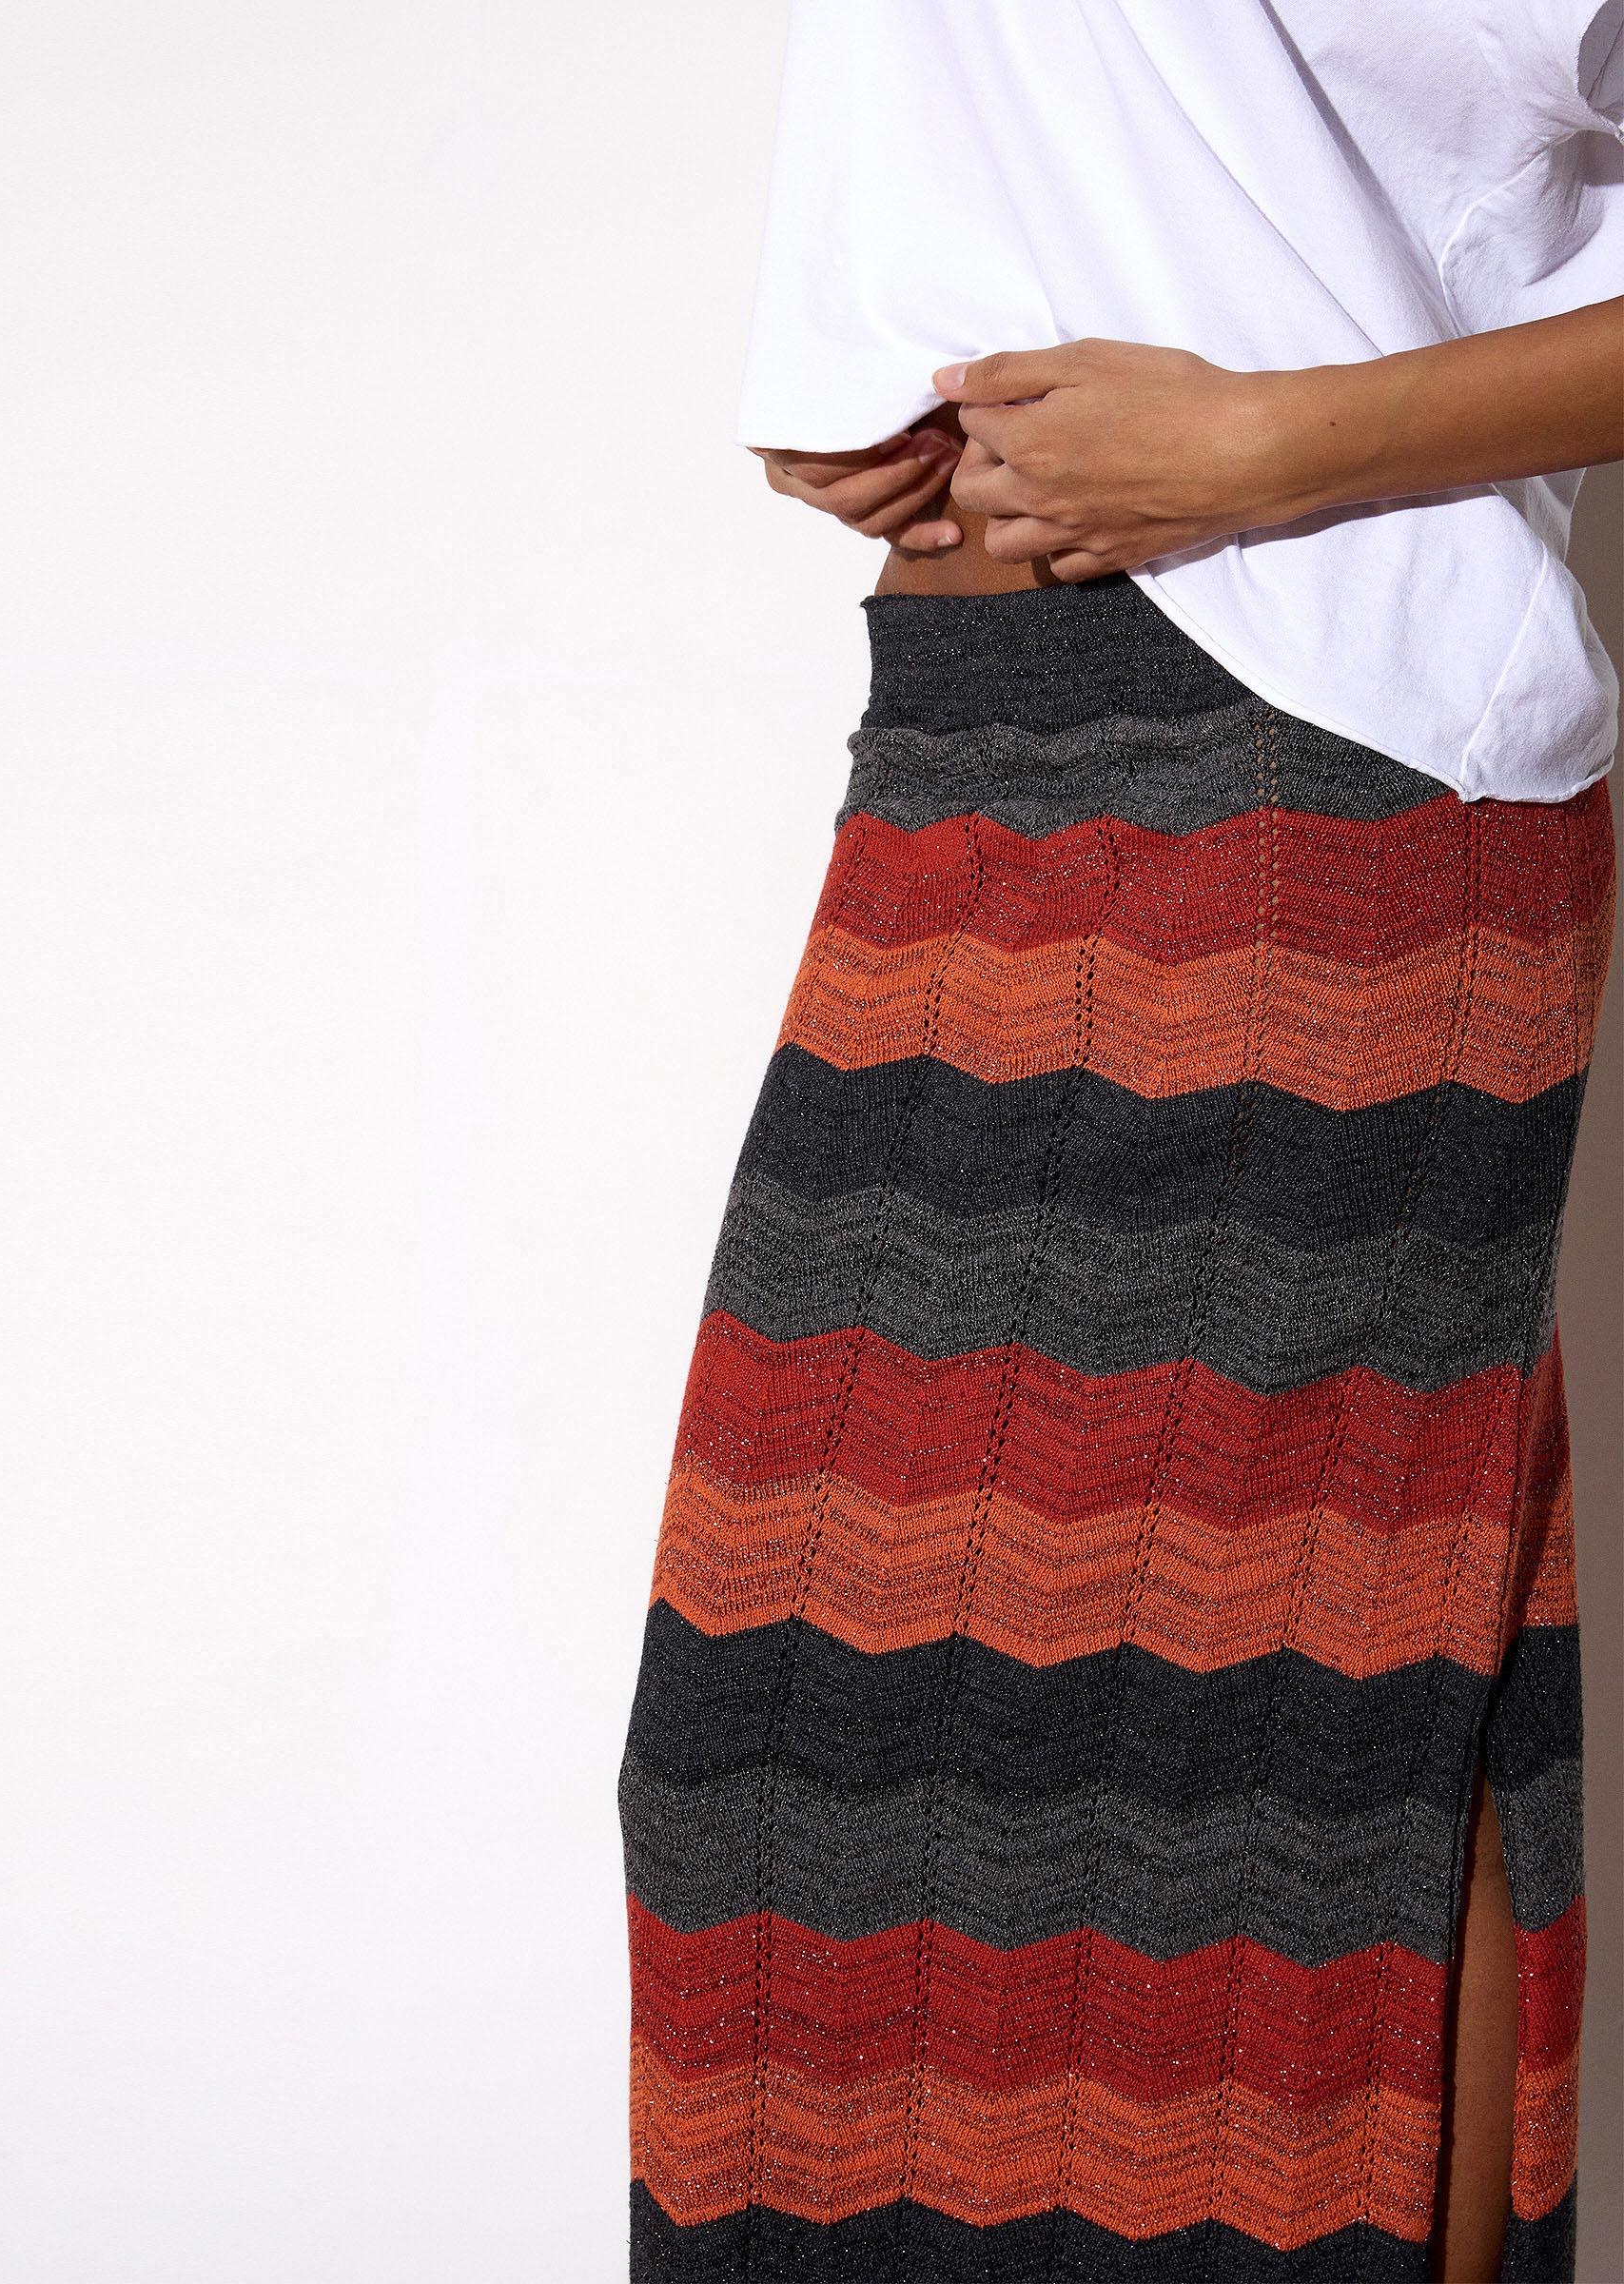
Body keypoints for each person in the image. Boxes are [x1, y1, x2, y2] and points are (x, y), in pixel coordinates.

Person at [617, 7, 1624, 2279]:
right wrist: (868, 360)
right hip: (967, 738)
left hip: (1324, 744)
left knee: (1299, 1759)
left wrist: (1269, 444)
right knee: (802, 1770)